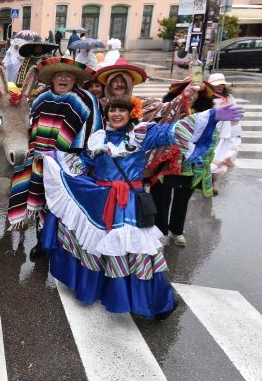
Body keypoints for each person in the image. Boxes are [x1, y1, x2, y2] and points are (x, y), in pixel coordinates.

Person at [41, 95, 242, 318]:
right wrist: (54, 158)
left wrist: (212, 115)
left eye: (122, 110)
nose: (116, 114)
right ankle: (105, 291)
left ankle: (154, 301)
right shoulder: (98, 138)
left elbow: (171, 131)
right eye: (112, 110)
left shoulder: (140, 134)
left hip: (128, 203)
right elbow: (84, 163)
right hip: (101, 200)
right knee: (101, 248)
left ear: (131, 114)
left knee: (136, 252)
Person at [7, 58, 102, 260]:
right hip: (39, 160)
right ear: (53, 78)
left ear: (75, 79)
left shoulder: (86, 100)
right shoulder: (41, 98)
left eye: (68, 76)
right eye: (60, 75)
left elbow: (93, 135)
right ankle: (42, 243)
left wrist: (81, 162)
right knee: (41, 201)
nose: (64, 79)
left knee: (63, 205)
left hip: (68, 163)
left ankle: (62, 247)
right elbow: (28, 128)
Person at [149, 81, 219, 247]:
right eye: (188, 91)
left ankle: (177, 230)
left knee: (182, 200)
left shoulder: (206, 115)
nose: (192, 96)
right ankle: (159, 231)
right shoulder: (168, 110)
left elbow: (211, 138)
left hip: (189, 166)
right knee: (160, 199)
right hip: (165, 163)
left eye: (196, 93)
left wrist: (203, 159)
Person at [208, 73, 242, 182]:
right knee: (208, 157)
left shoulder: (229, 97)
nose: (220, 86)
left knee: (221, 157)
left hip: (226, 133)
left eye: (222, 84)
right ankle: (205, 181)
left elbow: (236, 113)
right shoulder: (206, 98)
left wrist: (235, 130)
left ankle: (212, 181)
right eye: (217, 84)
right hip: (210, 132)